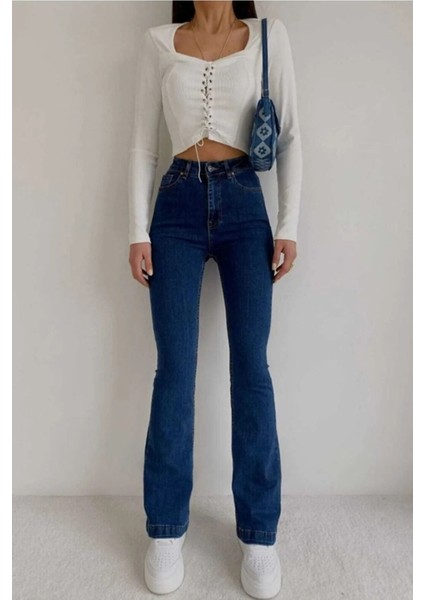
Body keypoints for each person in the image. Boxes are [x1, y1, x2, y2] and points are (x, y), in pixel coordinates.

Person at [128, 1, 302, 597]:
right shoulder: (158, 42)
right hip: (175, 206)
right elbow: (142, 145)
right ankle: (165, 528)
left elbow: (290, 137)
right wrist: (135, 231)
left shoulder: (268, 36)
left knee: (252, 369)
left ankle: (259, 534)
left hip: (245, 206)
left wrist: (289, 224)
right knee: (174, 371)